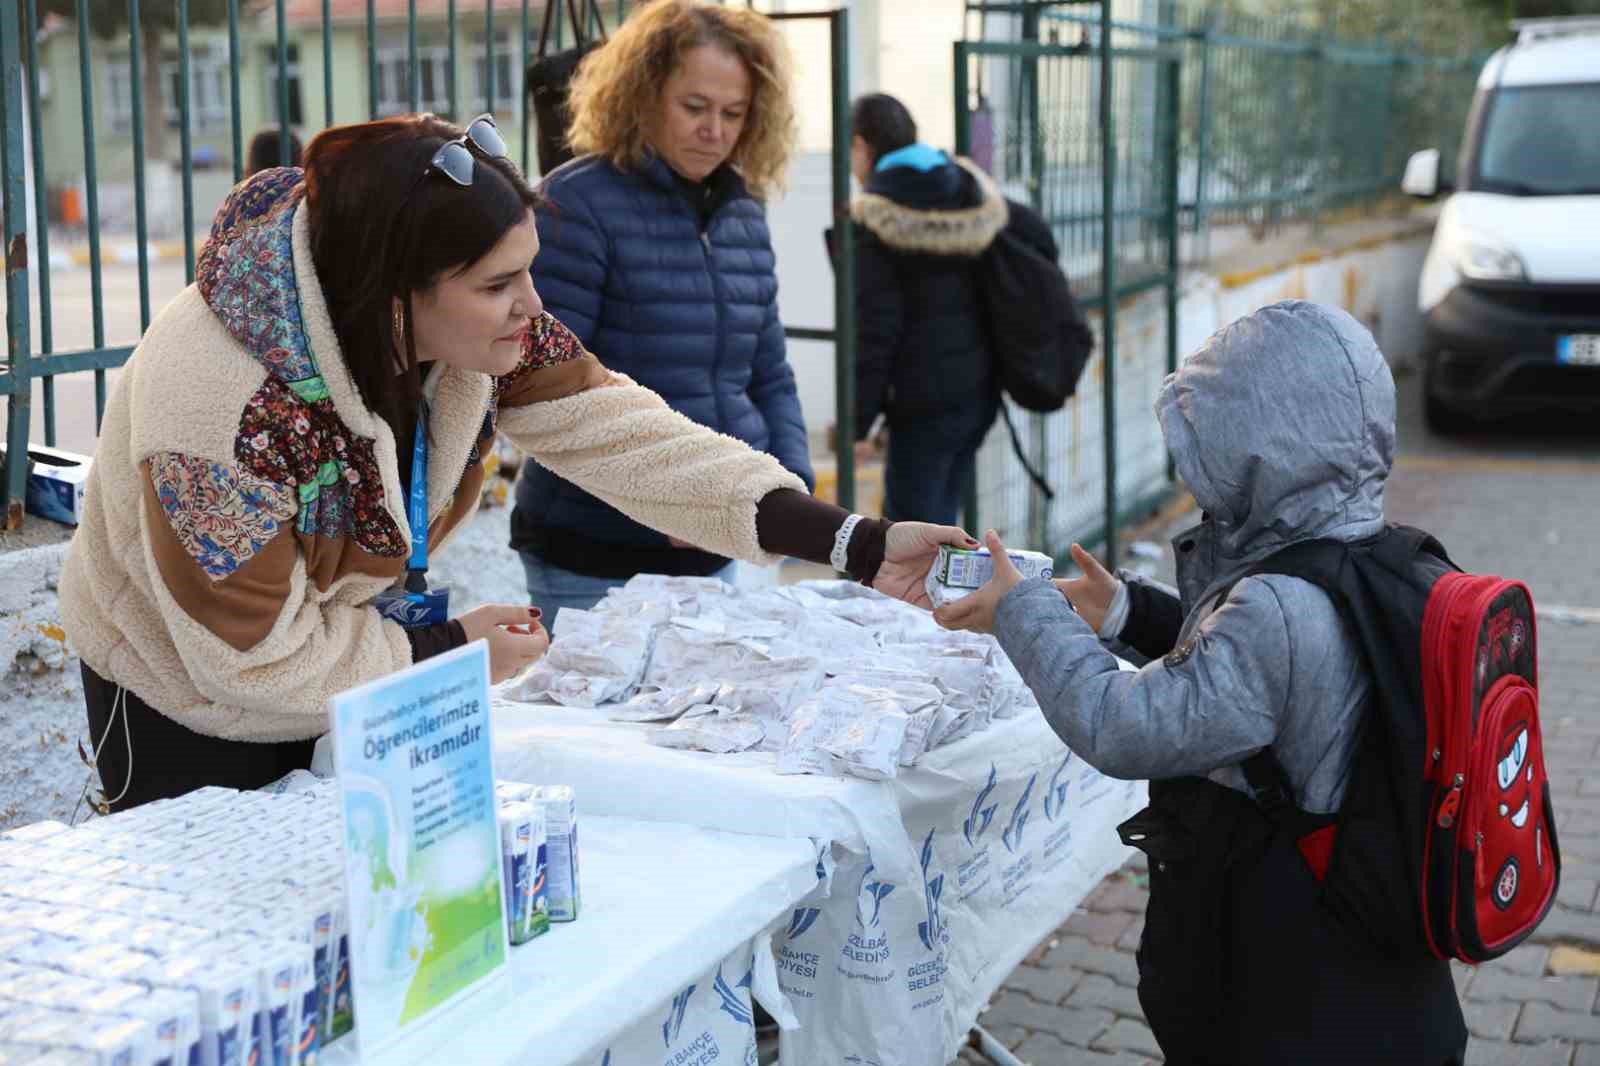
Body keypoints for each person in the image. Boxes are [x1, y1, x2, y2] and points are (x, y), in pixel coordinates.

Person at [58, 113, 972, 812]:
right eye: (498, 285)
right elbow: (246, 663)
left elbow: (630, 437)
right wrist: (450, 652)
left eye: (529, 271)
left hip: (351, 663)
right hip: (186, 708)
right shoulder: (220, 416)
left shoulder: (462, 332)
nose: (530, 307)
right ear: (392, 297)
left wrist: (853, 541)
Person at [934, 301, 1468, 1065]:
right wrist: (1124, 609)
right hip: (1386, 982)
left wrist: (1020, 610)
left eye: (1207, 446)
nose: (1192, 472)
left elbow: (1122, 725)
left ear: (1262, 447)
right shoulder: (1388, 558)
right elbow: (1253, 680)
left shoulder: (1280, 607)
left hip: (1296, 1008)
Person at [511, 0, 814, 622]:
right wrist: (677, 497)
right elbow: (542, 390)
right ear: (641, 96)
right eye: (695, 107)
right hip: (593, 561)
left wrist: (788, 493)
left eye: (734, 113)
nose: (716, 130)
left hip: (724, 551)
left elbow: (770, 375)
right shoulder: (574, 205)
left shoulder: (742, 214)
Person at [845, 92, 1005, 525]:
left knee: (909, 539)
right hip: (978, 388)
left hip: (921, 402)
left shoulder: (876, 213)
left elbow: (875, 329)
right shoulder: (966, 187)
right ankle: (952, 593)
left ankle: (931, 595)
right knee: (943, 524)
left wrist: (856, 422)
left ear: (861, 146)